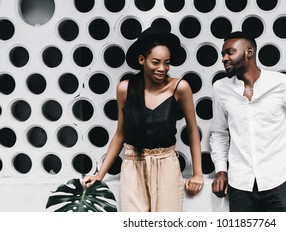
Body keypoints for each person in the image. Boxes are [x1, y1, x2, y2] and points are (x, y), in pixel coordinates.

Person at [83, 26, 203, 212]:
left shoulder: (180, 87)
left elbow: (193, 130)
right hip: (133, 164)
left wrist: (198, 174)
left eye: (167, 63)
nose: (162, 68)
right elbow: (120, 134)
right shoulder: (125, 89)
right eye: (156, 62)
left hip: (167, 164)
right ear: (142, 60)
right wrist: (100, 174)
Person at [210, 31, 286, 212]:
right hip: (240, 183)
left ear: (249, 52)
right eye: (222, 54)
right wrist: (221, 171)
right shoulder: (220, 88)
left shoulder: (284, 84)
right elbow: (219, 133)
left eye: (230, 52)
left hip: (278, 180)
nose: (224, 58)